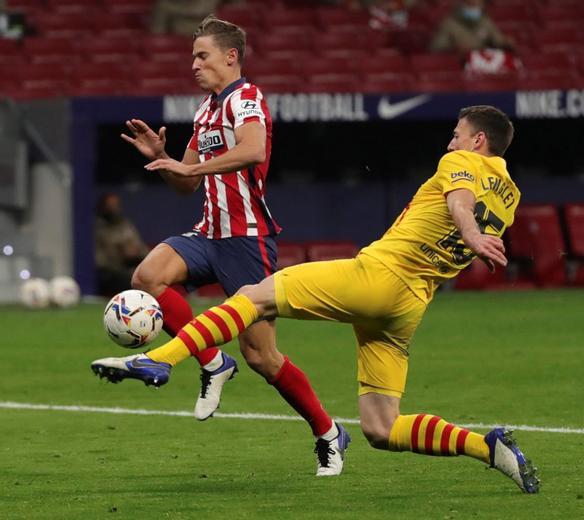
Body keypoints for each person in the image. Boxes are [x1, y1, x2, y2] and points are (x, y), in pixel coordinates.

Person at [92, 105, 540, 493]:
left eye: (457, 134)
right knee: (382, 428)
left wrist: (469, 231)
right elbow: (465, 210)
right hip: (409, 306)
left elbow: (460, 201)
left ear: (478, 140)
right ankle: (488, 447)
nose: (451, 141)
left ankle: (162, 359)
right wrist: (475, 235)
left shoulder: (461, 162)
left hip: (379, 276)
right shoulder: (510, 196)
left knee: (254, 297)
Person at [97, 15, 349, 477]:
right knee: (147, 277)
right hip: (209, 232)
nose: (193, 64)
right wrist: (163, 159)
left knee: (262, 357)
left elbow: (253, 150)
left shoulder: (246, 99)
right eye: (193, 56)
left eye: (202, 55)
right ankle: (213, 361)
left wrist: (191, 169)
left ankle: (329, 433)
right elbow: (183, 185)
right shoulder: (205, 111)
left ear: (231, 57)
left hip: (247, 240)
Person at [95, 193, 150, 297]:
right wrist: (119, 253)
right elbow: (100, 262)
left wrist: (137, 253)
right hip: (111, 273)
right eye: (110, 205)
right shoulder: (98, 228)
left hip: (133, 267)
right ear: (103, 207)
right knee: (129, 279)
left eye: (116, 205)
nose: (114, 208)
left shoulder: (126, 224)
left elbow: (143, 250)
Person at [429, 0, 515, 56]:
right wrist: (453, 48)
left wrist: (505, 42)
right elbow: (435, 48)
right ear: (462, 5)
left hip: (479, 64)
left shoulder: (485, 22)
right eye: (470, 4)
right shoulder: (449, 24)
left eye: (477, 5)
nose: (474, 8)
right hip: (458, 65)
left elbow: (497, 40)